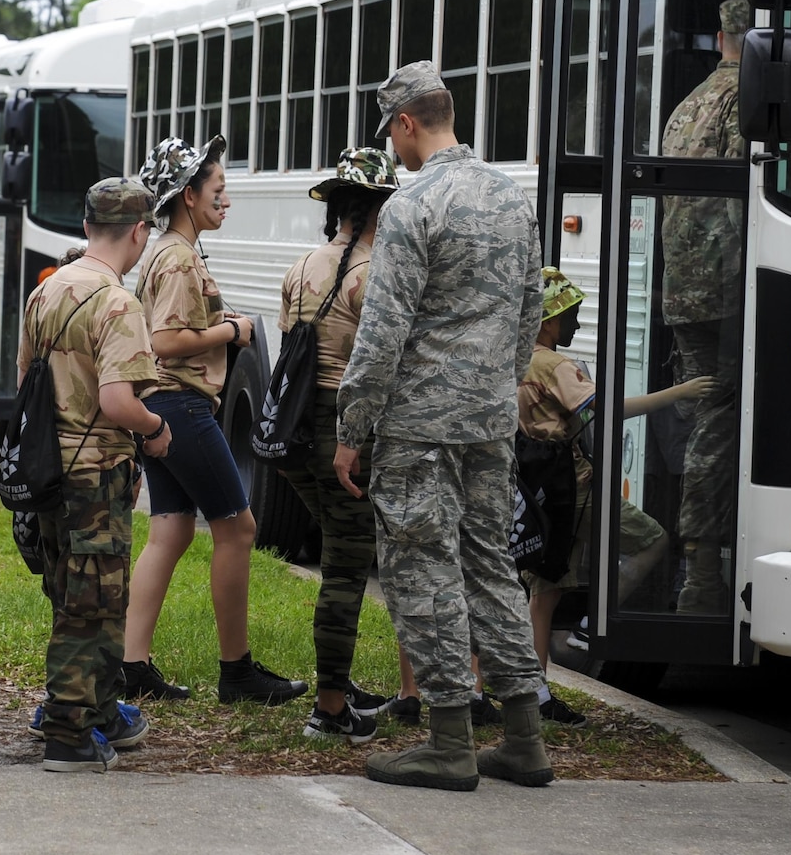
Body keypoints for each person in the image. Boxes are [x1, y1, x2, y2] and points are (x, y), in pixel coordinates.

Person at [336, 62, 552, 792]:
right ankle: (524, 738)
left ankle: (448, 740)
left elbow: (382, 333)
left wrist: (352, 428)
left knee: (422, 568)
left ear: (405, 123)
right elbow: (531, 311)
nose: (393, 150)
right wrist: (495, 382)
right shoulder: (510, 198)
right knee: (491, 564)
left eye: (391, 135)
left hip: (420, 426)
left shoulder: (411, 206)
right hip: (489, 421)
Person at [123, 136, 306, 707]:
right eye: (219, 191)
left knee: (172, 529)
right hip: (181, 405)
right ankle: (237, 671)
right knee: (239, 527)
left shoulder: (165, 249)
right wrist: (233, 330)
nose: (226, 202)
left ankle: (130, 665)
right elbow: (166, 340)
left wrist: (215, 319)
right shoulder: (177, 255)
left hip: (162, 403)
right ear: (187, 195)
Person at [518, 268, 713, 724]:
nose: (578, 326)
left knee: (543, 595)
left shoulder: (515, 359)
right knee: (653, 540)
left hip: (540, 491)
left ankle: (536, 693)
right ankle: (591, 625)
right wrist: (680, 392)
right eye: (573, 316)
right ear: (551, 319)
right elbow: (603, 412)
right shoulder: (554, 365)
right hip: (577, 489)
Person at [21, 178, 167, 772]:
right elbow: (117, 402)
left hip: (48, 472)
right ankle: (68, 734)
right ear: (139, 232)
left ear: (85, 227)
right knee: (91, 605)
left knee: (83, 595)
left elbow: (29, 381)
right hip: (95, 474)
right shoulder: (118, 303)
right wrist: (155, 429)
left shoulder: (48, 292)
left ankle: (101, 709)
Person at [276, 147, 404, 744]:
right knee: (347, 571)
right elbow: (378, 361)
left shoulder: (304, 264)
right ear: (381, 205)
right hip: (344, 430)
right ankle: (330, 707)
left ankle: (336, 685)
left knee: (335, 556)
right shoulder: (371, 272)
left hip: (297, 432)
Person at [660, 0, 750, 615]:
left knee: (705, 417)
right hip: (727, 286)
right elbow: (745, 195)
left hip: (682, 286)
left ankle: (701, 566)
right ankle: (703, 574)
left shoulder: (687, 102)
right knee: (720, 422)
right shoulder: (747, 100)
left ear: (720, 37)